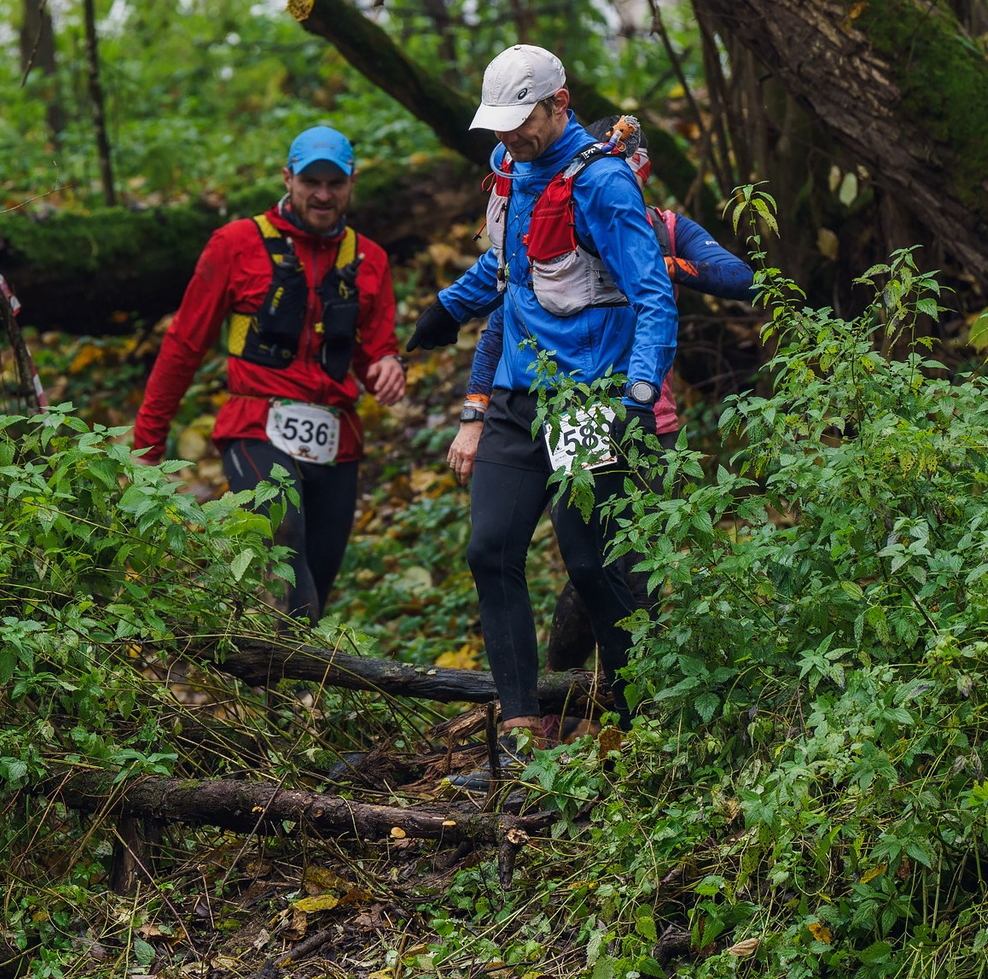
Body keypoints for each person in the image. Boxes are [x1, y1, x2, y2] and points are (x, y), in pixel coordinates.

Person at [405, 47, 678, 773]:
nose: (507, 138)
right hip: (518, 400)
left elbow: (654, 296)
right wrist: (444, 309)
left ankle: (631, 729)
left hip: (589, 400)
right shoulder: (516, 173)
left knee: (594, 565)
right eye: (497, 126)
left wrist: (639, 395)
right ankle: (522, 732)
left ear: (559, 103)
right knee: (489, 549)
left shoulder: (606, 184)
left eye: (518, 122)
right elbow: (507, 271)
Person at [442, 118, 756, 688]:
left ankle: (648, 712)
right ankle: (577, 704)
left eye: (629, 179)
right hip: (576, 408)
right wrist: (474, 409)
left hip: (649, 427)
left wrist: (654, 264)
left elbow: (741, 277)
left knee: (626, 570)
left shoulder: (661, 228)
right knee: (587, 569)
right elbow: (501, 320)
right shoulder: (559, 219)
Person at [132, 125, 406, 619]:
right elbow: (184, 345)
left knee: (315, 582)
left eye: (335, 183)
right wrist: (147, 446)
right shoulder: (235, 243)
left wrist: (388, 365)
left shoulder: (371, 259)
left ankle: (289, 687)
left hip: (337, 438)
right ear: (288, 178)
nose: (323, 195)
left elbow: (374, 349)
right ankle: (292, 692)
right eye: (311, 182)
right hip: (256, 424)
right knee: (283, 537)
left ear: (351, 183)